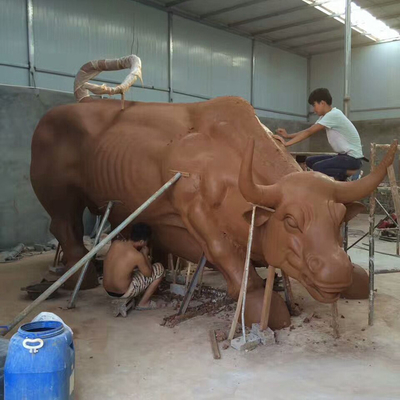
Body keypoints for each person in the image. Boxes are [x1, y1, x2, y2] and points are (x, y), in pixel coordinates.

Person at [273, 88, 365, 181]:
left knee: (318, 167)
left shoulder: (333, 115)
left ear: (322, 103)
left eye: (314, 105)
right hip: (343, 157)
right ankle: (343, 178)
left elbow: (309, 132)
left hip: (353, 159)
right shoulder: (325, 116)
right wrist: (287, 136)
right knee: (310, 161)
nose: (313, 110)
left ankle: (352, 173)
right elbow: (308, 130)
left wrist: (286, 144)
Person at [103, 223, 165, 310]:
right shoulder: (137, 255)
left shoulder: (115, 244)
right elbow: (149, 274)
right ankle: (143, 303)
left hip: (108, 290)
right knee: (159, 268)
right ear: (142, 242)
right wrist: (145, 254)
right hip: (122, 292)